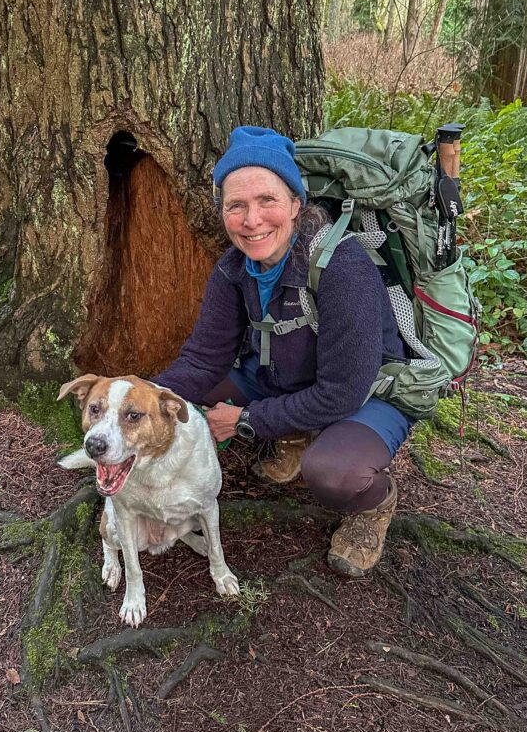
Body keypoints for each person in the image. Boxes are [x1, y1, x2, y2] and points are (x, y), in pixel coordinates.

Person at [156, 126, 415, 578]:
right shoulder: (235, 268)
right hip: (284, 377)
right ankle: (294, 434)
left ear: (296, 203)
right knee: (176, 403)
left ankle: (374, 505)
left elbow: (342, 394)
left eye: (267, 200)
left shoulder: (343, 267)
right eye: (236, 205)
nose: (252, 220)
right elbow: (202, 359)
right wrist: (133, 397)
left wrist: (248, 421)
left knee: (335, 472)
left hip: (366, 392)